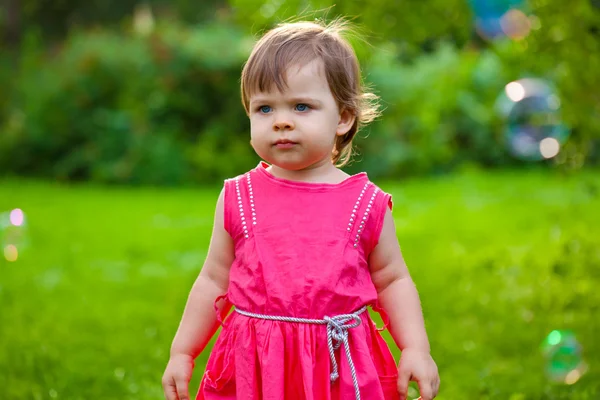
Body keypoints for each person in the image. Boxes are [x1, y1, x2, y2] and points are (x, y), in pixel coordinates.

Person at [162, 19, 440, 400]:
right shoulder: (238, 197)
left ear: (343, 118)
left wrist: (415, 348)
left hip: (337, 368)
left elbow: (392, 280)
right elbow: (213, 279)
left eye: (301, 106)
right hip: (256, 366)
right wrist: (183, 351)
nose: (281, 121)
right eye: (264, 109)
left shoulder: (366, 203)